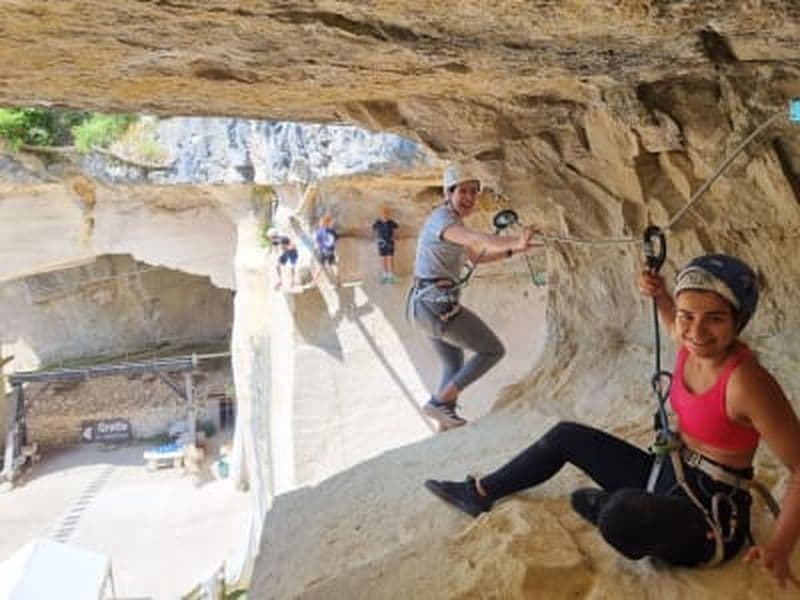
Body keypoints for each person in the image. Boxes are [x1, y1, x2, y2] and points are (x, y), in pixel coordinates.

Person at [424, 254, 800, 587]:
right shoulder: (689, 345)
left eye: (715, 319)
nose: (697, 332)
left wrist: (781, 546)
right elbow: (674, 323)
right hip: (670, 474)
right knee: (566, 436)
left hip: (711, 517)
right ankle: (481, 493)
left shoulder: (746, 382)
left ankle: (617, 508)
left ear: (738, 321)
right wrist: (659, 295)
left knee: (621, 514)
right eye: (688, 316)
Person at [409, 163, 539, 431]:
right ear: (448, 193)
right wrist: (516, 240)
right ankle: (439, 402)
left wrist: (514, 252)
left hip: (422, 307)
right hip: (436, 307)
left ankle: (445, 423)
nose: (469, 197)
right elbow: (477, 240)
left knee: (453, 363)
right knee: (492, 350)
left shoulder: (451, 223)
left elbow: (476, 256)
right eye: (462, 191)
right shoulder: (444, 222)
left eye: (473, 191)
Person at [372, 205, 399, 284]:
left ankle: (391, 276)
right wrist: (377, 238)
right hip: (382, 243)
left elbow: (396, 228)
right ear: (380, 214)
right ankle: (385, 276)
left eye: (386, 213)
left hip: (390, 242)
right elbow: (374, 229)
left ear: (388, 214)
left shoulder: (391, 222)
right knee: (383, 259)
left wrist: (394, 237)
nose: (384, 215)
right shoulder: (378, 222)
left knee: (390, 259)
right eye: (382, 213)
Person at [313, 214, 339, 285]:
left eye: (320, 222)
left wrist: (316, 250)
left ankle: (314, 282)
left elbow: (316, 243)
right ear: (328, 223)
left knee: (320, 267)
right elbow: (335, 240)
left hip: (321, 251)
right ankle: (337, 281)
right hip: (330, 251)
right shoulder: (333, 231)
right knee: (334, 265)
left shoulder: (318, 232)